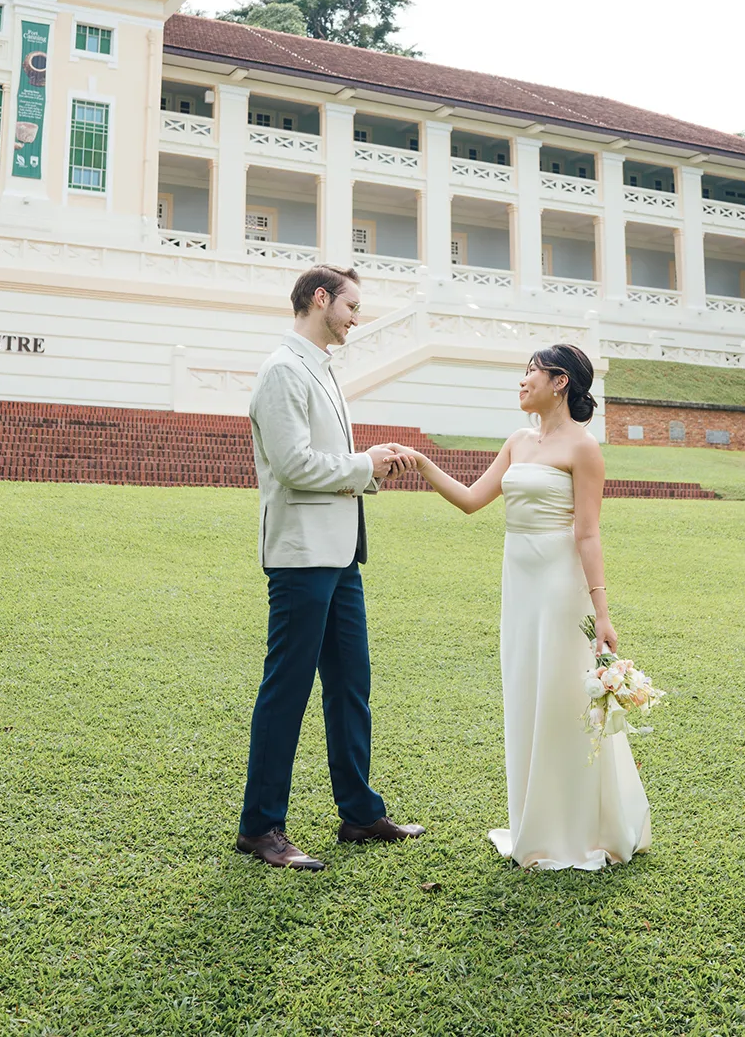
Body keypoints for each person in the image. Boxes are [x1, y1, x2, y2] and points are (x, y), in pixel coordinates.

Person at [394, 344, 651, 871]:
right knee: (525, 694)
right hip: (520, 584)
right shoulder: (517, 441)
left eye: (529, 373)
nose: (521, 381)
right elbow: (470, 500)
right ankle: (534, 819)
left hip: (560, 586)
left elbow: (588, 533)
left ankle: (574, 828)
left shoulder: (584, 449)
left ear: (559, 381)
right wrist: (422, 463)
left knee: (561, 700)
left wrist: (602, 614)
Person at [236, 264, 424, 871]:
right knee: (286, 691)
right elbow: (293, 465)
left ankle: (360, 813)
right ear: (321, 300)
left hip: (341, 555)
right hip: (301, 557)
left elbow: (326, 460)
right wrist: (364, 464)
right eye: (351, 306)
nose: (356, 318)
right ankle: (261, 827)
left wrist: (370, 463)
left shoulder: (319, 369)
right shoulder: (282, 371)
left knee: (351, 685)